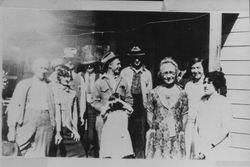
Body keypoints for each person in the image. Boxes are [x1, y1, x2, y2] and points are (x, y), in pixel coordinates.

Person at [7, 58, 55, 157]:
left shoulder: (50, 85)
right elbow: (14, 106)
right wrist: (11, 129)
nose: (43, 71)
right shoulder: (24, 84)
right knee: (19, 149)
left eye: (45, 68)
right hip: (27, 121)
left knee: (42, 153)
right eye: (40, 68)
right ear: (34, 69)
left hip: (46, 122)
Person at [91, 52, 134, 158]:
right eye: (118, 64)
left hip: (120, 119)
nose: (120, 66)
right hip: (104, 119)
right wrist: (104, 109)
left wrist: (126, 113)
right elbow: (94, 101)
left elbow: (129, 99)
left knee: (121, 151)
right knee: (106, 151)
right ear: (110, 65)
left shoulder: (122, 81)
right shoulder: (99, 82)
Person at [146, 57, 188, 159]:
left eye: (171, 72)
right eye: (165, 73)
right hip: (158, 139)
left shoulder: (182, 93)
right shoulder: (153, 93)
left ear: (177, 73)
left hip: (176, 138)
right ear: (160, 74)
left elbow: (185, 114)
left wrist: (180, 131)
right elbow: (149, 114)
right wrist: (157, 131)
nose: (169, 76)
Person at [120, 46, 152, 158]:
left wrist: (148, 109)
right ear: (131, 59)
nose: (137, 60)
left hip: (141, 106)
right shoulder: (124, 72)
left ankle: (139, 157)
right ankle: (128, 156)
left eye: (139, 58)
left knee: (141, 132)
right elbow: (121, 90)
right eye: (134, 58)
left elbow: (149, 94)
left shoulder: (147, 73)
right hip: (128, 105)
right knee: (128, 130)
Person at [193, 71, 232, 160]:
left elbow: (225, 128)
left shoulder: (223, 102)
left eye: (209, 83)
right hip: (201, 147)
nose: (205, 85)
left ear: (216, 84)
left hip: (217, 147)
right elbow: (197, 126)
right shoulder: (202, 101)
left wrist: (210, 145)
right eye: (204, 83)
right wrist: (198, 148)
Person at [52, 65, 86, 157]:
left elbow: (74, 114)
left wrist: (75, 130)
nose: (67, 79)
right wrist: (58, 133)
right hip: (59, 129)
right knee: (59, 156)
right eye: (64, 76)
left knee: (81, 154)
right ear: (59, 77)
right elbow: (58, 113)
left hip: (69, 129)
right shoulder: (55, 91)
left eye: (68, 76)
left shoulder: (72, 93)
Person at [80, 49, 101, 158]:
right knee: (81, 131)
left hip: (93, 107)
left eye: (91, 64)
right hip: (81, 106)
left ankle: (92, 154)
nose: (89, 67)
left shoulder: (99, 76)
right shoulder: (81, 76)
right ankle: (82, 153)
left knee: (92, 134)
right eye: (87, 65)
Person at [184, 57, 206, 159]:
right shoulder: (188, 85)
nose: (195, 71)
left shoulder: (207, 83)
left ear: (203, 68)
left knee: (199, 149)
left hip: (203, 121)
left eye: (198, 67)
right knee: (187, 147)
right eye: (193, 68)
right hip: (189, 121)